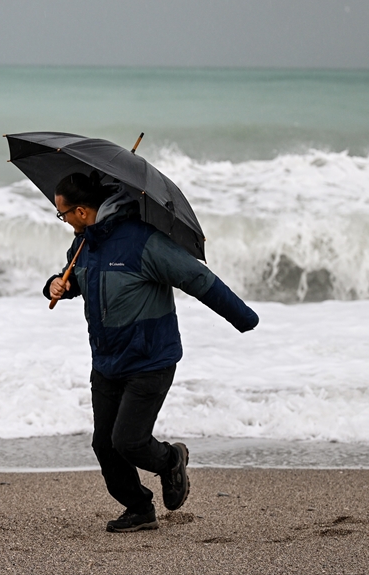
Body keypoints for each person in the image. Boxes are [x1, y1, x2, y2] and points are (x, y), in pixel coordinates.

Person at [44, 172, 258, 533]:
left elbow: (198, 279)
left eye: (62, 214)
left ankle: (172, 458)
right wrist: (59, 286)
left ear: (81, 211)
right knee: (105, 445)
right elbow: (81, 279)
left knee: (128, 441)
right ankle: (140, 508)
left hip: (150, 359)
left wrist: (243, 318)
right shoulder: (84, 245)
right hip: (107, 359)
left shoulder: (143, 242)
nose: (63, 220)